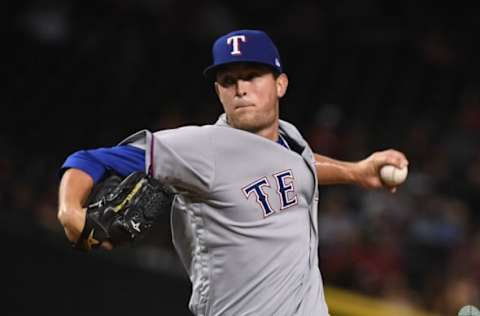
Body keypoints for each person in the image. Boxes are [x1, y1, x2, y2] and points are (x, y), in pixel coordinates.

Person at [57, 29, 408, 316]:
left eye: (252, 76)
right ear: (218, 92)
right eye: (229, 80)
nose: (241, 88)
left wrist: (356, 172)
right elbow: (90, 160)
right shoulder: (201, 148)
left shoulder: (289, 141)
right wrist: (70, 210)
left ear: (280, 84)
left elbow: (297, 168)